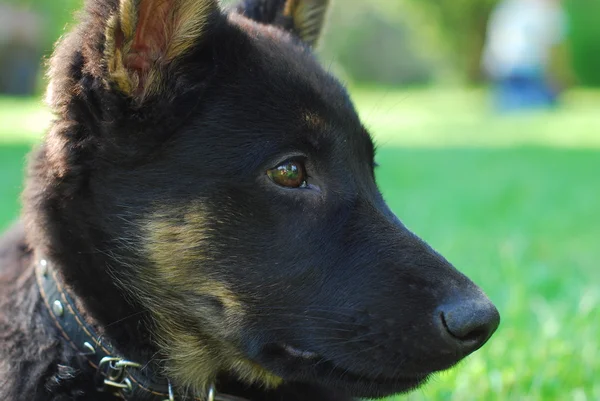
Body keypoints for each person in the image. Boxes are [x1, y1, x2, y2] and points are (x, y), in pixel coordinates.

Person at [482, 0, 570, 112]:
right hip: (523, 70)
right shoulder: (547, 12)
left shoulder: (510, 6)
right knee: (540, 102)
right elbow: (552, 52)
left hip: (503, 69)